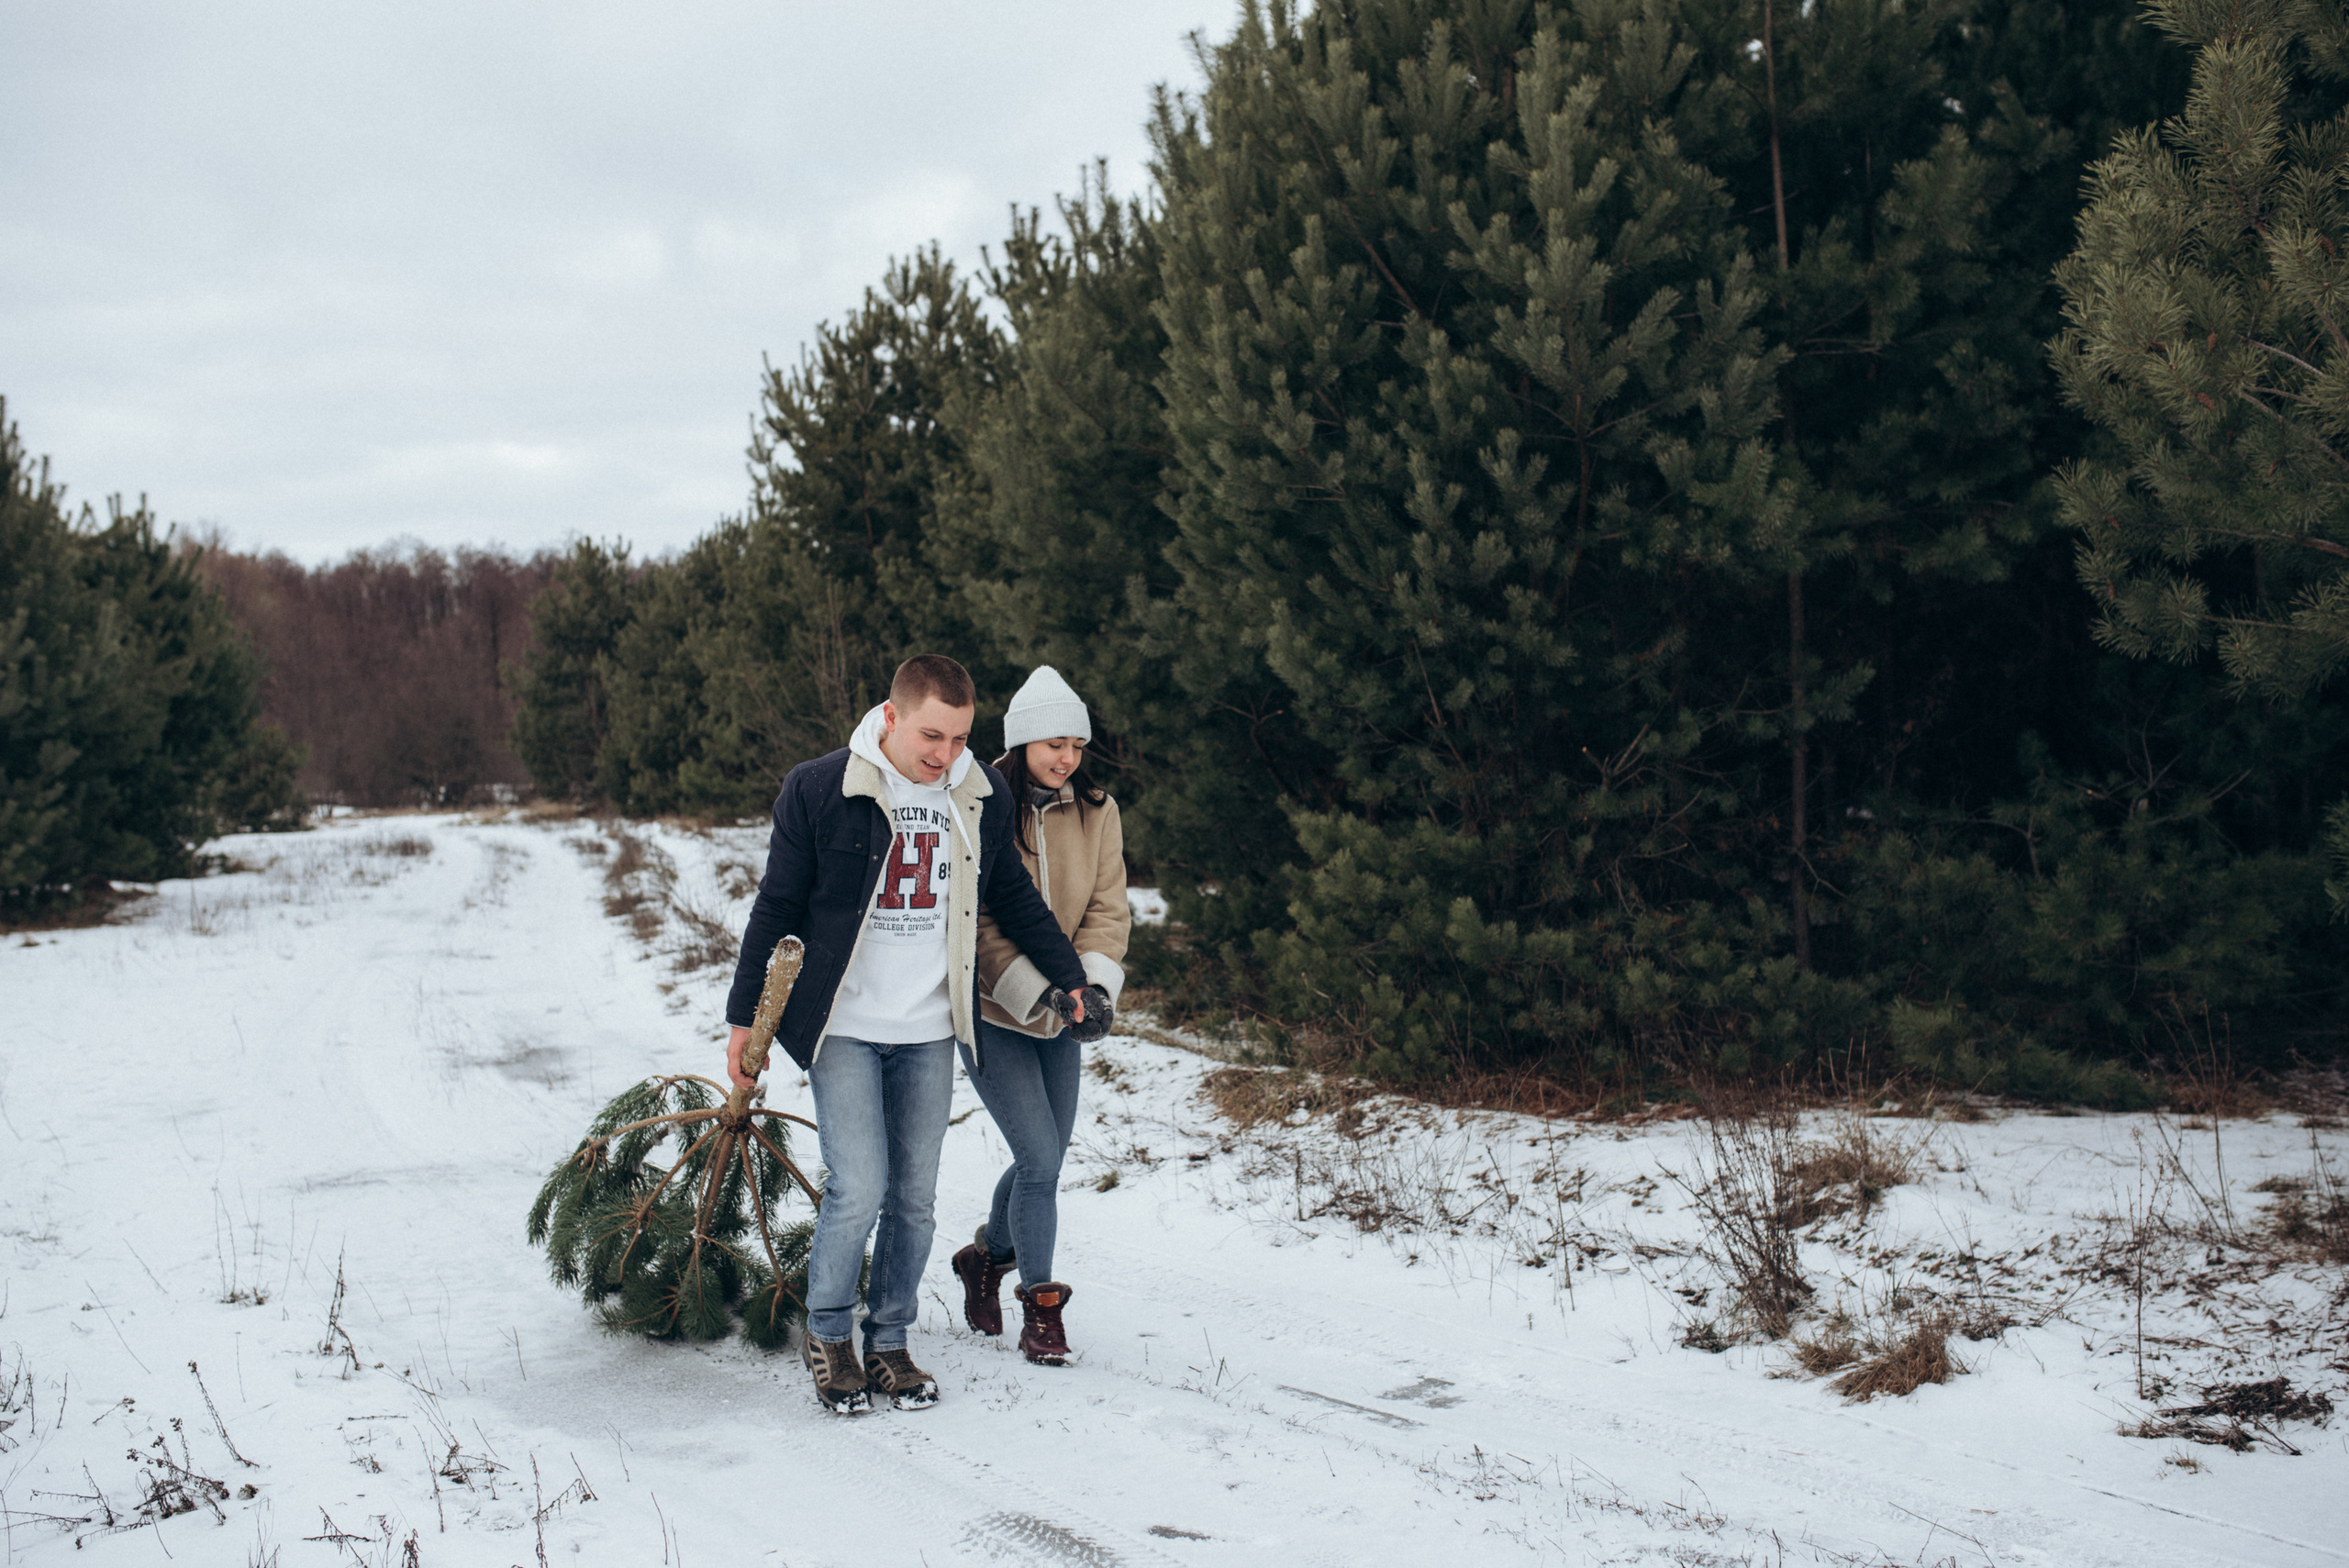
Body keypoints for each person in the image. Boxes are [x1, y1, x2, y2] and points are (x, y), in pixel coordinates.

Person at [723, 654, 1109, 1415]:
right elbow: (776, 905)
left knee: (915, 1199)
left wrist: (1072, 980)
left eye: (961, 737)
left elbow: (1014, 897)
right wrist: (745, 1021)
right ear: (893, 716)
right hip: (845, 1026)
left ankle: (890, 1338)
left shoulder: (979, 793)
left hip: (930, 1029)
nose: (945, 753)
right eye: (932, 735)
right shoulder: (821, 787)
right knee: (859, 1186)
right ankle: (829, 1332)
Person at [951, 666, 1129, 1365]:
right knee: (1039, 1157)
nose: (1067, 758)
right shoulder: (984, 805)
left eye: (1077, 746)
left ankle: (985, 1256)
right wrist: (1039, 989)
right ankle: (1041, 1308)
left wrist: (1093, 986)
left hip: (1065, 1014)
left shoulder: (1098, 811)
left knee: (1045, 1160)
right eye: (1055, 744)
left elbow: (1108, 907)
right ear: (1023, 741)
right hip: (995, 1011)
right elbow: (978, 921)